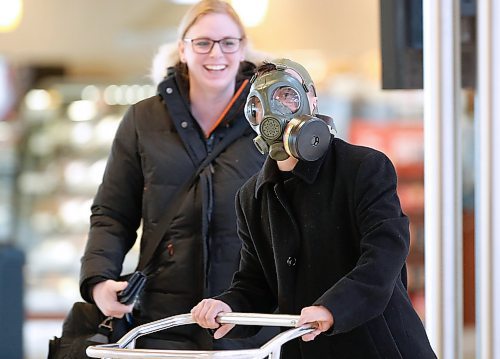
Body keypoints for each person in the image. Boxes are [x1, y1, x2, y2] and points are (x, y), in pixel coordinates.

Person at [191, 58, 437, 358]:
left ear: (312, 100)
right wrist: (228, 306)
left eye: (287, 96)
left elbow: (384, 257)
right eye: (259, 104)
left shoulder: (364, 168)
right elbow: (256, 284)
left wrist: (332, 308)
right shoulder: (251, 198)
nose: (273, 112)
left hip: (379, 346)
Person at [79, 0, 273, 350]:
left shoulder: (269, 122)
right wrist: (98, 279)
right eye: (203, 42)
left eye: (229, 42)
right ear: (183, 49)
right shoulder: (143, 120)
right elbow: (112, 213)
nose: (217, 53)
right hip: (163, 317)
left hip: (248, 315)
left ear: (243, 48)